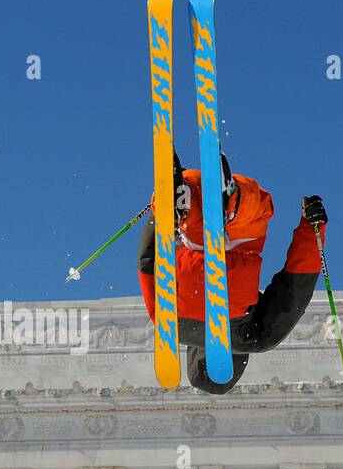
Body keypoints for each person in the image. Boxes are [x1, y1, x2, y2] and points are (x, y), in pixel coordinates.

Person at [138, 151, 329, 393]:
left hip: (236, 283)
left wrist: (312, 230)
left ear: (239, 363)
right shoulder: (167, 325)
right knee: (194, 226)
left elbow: (294, 290)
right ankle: (184, 196)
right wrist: (159, 216)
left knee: (257, 209)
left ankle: (231, 199)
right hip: (192, 269)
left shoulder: (255, 340)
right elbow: (147, 263)